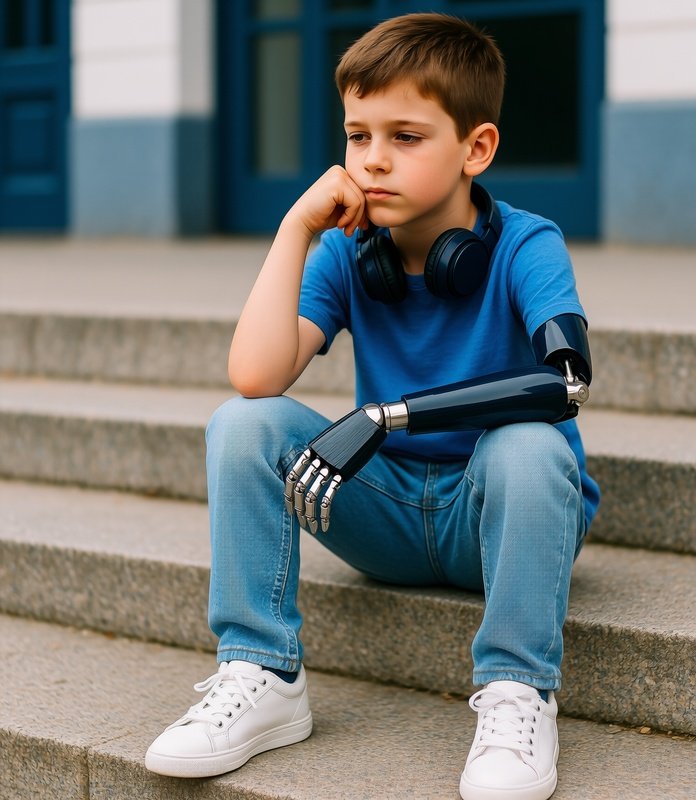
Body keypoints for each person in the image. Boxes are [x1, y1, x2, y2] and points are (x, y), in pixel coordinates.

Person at [145, 12, 599, 800]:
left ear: (476, 149)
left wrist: (386, 416)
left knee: (530, 444)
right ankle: (262, 673)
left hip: (491, 516)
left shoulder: (529, 245)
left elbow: (568, 383)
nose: (374, 159)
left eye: (406, 136)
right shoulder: (350, 252)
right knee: (242, 423)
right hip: (385, 516)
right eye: (358, 136)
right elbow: (255, 377)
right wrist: (294, 227)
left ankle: (519, 693)